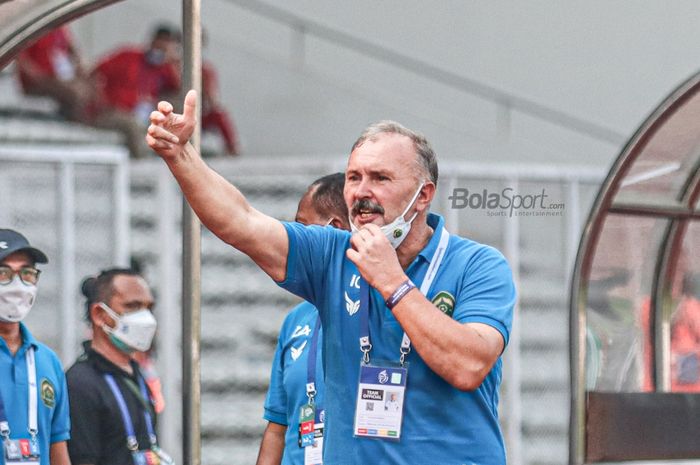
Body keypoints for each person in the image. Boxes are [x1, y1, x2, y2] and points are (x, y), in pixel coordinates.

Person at [146, 92, 516, 464]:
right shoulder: (332, 254)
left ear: (423, 196)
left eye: (380, 178)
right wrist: (181, 155)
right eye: (354, 177)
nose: (361, 192)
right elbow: (241, 222)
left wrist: (393, 281)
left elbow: (468, 366)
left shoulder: (478, 264)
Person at [257, 173, 350, 465]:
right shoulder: (296, 320)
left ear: (332, 229)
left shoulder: (383, 310)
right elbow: (277, 426)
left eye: (301, 226)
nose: (293, 237)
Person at [66, 268, 173, 465]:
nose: (145, 318)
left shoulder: (136, 374)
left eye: (148, 307)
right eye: (132, 306)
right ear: (99, 314)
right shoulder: (80, 384)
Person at [0, 229, 71, 465]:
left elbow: (57, 445)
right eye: (4, 273)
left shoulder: (47, 361)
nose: (18, 284)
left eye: (27, 274)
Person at [89, 25, 181, 158]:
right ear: (153, 41)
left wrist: (172, 62)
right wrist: (101, 101)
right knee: (133, 125)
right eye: (160, 46)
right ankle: (141, 167)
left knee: (174, 115)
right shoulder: (128, 56)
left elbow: (178, 89)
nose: (161, 51)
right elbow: (95, 74)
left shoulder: (164, 69)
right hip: (113, 112)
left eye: (167, 49)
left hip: (142, 115)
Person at [16, 25, 92, 121]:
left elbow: (72, 48)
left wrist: (80, 65)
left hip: (63, 77)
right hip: (40, 81)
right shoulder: (32, 28)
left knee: (89, 89)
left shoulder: (60, 27)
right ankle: (78, 123)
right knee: (75, 93)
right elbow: (22, 60)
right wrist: (41, 78)